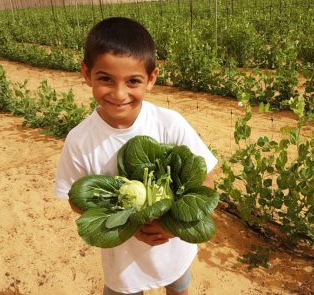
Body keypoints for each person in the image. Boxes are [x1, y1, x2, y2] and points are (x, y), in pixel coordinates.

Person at [54, 17, 217, 295]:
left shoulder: (169, 123)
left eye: (133, 81)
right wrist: (127, 222)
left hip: (171, 250)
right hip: (123, 261)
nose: (119, 94)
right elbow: (77, 199)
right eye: (105, 79)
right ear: (86, 73)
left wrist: (172, 226)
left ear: (151, 78)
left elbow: (207, 178)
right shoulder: (80, 140)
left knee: (178, 283)